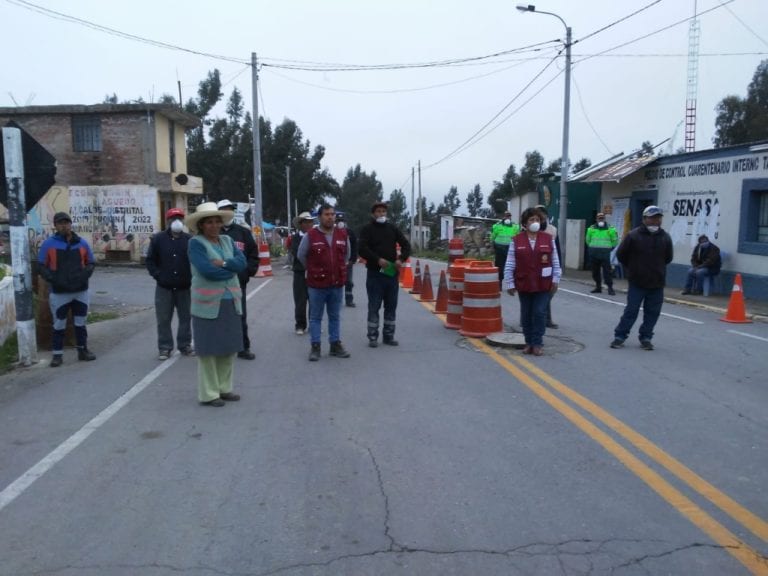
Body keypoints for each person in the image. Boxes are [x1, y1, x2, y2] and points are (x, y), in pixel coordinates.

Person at [186, 202, 247, 406]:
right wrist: (231, 268)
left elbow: (242, 263)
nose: (213, 226)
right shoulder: (196, 243)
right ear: (201, 225)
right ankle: (210, 393)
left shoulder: (228, 240)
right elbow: (206, 270)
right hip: (207, 303)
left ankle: (224, 388)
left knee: (228, 347)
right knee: (208, 349)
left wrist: (224, 264)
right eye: (209, 222)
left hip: (231, 301)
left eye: (216, 221)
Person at [610, 205, 673, 351]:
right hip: (637, 282)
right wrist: (633, 270)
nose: (655, 221)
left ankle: (646, 337)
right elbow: (621, 255)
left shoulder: (665, 237)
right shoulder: (633, 235)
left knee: (652, 313)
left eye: (657, 218)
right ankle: (620, 336)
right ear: (644, 219)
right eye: (651, 218)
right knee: (631, 310)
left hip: (657, 283)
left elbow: (668, 258)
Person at [38, 211, 97, 367]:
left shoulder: (82, 243)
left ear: (71, 224)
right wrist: (54, 280)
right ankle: (57, 355)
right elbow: (41, 266)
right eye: (60, 223)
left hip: (80, 291)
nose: (64, 225)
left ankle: (82, 351)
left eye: (66, 222)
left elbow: (91, 263)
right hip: (59, 292)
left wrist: (84, 276)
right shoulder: (49, 244)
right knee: (58, 325)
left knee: (80, 323)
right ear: (56, 226)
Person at [503, 207, 561, 356]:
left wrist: (556, 279)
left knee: (539, 312)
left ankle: (537, 343)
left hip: (543, 284)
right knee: (526, 314)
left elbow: (555, 261)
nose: (535, 222)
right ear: (525, 223)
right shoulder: (517, 240)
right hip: (524, 283)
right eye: (531, 220)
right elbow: (510, 263)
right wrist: (509, 282)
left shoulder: (548, 239)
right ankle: (528, 342)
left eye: (537, 219)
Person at [297, 204, 351, 361]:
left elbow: (346, 256)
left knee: (335, 316)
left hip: (336, 284)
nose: (330, 217)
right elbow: (301, 255)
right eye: (327, 214)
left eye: (332, 214)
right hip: (317, 285)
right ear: (319, 217)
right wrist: (313, 270)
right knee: (315, 317)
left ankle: (335, 345)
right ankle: (315, 347)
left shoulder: (342, 235)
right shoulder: (311, 235)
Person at [358, 201, 412, 348]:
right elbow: (361, 248)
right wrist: (377, 260)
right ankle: (373, 336)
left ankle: (389, 336)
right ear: (373, 214)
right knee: (374, 306)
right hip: (375, 274)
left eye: (383, 211)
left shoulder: (392, 228)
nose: (381, 214)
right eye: (378, 211)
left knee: (391, 306)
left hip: (391, 274)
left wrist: (401, 259)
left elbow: (406, 246)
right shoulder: (367, 229)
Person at [145, 208, 194, 360]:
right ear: (167, 221)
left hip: (184, 288)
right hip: (164, 287)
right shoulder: (158, 239)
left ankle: (185, 345)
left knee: (185, 318)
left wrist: (191, 278)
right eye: (173, 218)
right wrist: (158, 276)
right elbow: (150, 261)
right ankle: (165, 348)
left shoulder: (189, 240)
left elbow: (195, 261)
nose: (176, 221)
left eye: (179, 218)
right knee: (163, 319)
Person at [217, 199, 259, 360]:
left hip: (237, 283)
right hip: (217, 283)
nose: (227, 213)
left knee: (239, 315)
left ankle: (243, 347)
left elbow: (253, 254)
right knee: (219, 315)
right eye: (224, 210)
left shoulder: (243, 232)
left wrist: (247, 272)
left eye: (230, 210)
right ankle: (222, 347)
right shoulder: (214, 232)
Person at [535, 205, 561, 329]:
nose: (541, 216)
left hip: (548, 265)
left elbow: (557, 249)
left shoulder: (552, 230)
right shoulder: (528, 228)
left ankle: (547, 319)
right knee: (531, 294)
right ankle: (527, 318)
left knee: (548, 292)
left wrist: (558, 268)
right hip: (533, 266)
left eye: (542, 213)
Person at [291, 212, 314, 335]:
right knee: (300, 300)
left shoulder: (315, 236)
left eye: (310, 222)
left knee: (314, 300)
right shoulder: (296, 238)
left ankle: (313, 324)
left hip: (313, 273)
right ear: (301, 224)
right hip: (300, 272)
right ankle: (300, 325)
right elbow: (297, 253)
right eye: (306, 222)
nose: (308, 224)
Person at [585, 212, 619, 295]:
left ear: (604, 219)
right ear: (596, 219)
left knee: (607, 272)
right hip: (594, 254)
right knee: (595, 272)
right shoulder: (591, 229)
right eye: (599, 218)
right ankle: (598, 287)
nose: (601, 220)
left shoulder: (611, 229)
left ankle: (610, 288)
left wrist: (610, 249)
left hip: (605, 254)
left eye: (602, 218)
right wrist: (593, 249)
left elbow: (615, 240)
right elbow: (587, 240)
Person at [490, 211, 519, 288]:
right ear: (503, 217)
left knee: (512, 265)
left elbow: (518, 237)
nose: (508, 218)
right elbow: (492, 237)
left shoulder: (515, 226)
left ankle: (513, 283)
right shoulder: (497, 226)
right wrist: (492, 246)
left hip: (510, 248)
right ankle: (499, 282)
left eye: (509, 216)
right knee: (500, 266)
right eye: (506, 216)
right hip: (499, 248)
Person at [335, 212, 358, 307]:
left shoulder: (350, 232)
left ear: (345, 222)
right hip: (336, 262)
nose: (340, 222)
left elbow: (354, 247)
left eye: (342, 221)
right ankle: (336, 300)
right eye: (338, 221)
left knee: (348, 281)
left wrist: (353, 259)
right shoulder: (332, 232)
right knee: (336, 281)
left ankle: (349, 300)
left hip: (348, 262)